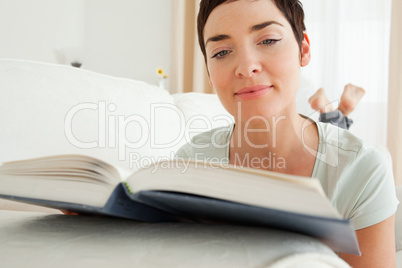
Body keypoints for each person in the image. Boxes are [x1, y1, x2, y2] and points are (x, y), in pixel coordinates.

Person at [176, 0, 398, 267]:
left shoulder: (363, 169)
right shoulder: (189, 164)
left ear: (303, 50)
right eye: (222, 52)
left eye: (268, 40)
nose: (246, 67)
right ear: (209, 73)